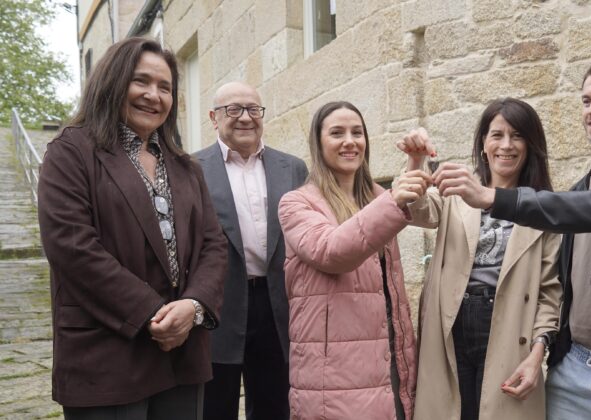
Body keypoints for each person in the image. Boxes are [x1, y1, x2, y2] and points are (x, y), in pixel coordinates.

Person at [434, 56, 591, 419]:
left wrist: (493, 197)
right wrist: (545, 350)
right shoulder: (578, 190)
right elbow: (555, 288)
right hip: (574, 371)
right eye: (586, 100)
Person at [37, 37, 227, 419]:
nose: (153, 96)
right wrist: (156, 314)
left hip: (182, 356)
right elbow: (73, 248)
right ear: (113, 81)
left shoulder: (185, 166)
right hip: (107, 355)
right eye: (141, 81)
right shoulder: (71, 151)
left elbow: (213, 245)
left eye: (165, 87)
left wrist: (193, 307)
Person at [397, 98, 562, 420]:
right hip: (451, 320)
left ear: (530, 145)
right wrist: (415, 163)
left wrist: (537, 355)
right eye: (496, 135)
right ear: (483, 143)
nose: (506, 145)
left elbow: (549, 293)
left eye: (517, 136)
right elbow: (417, 210)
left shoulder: (543, 208)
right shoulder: (458, 190)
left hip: (510, 324)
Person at [278, 101, 424, 420]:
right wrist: (393, 198)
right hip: (334, 376)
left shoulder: (376, 199)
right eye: (337, 133)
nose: (350, 141)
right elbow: (332, 251)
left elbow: (426, 217)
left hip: (388, 358)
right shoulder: (296, 204)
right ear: (318, 143)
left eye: (357, 132)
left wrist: (416, 163)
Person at [194, 81, 308, 420]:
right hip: (219, 304)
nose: (245, 117)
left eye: (253, 109)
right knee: (216, 404)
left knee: (275, 405)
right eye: (234, 109)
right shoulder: (191, 169)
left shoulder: (293, 168)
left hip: (277, 304)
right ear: (214, 118)